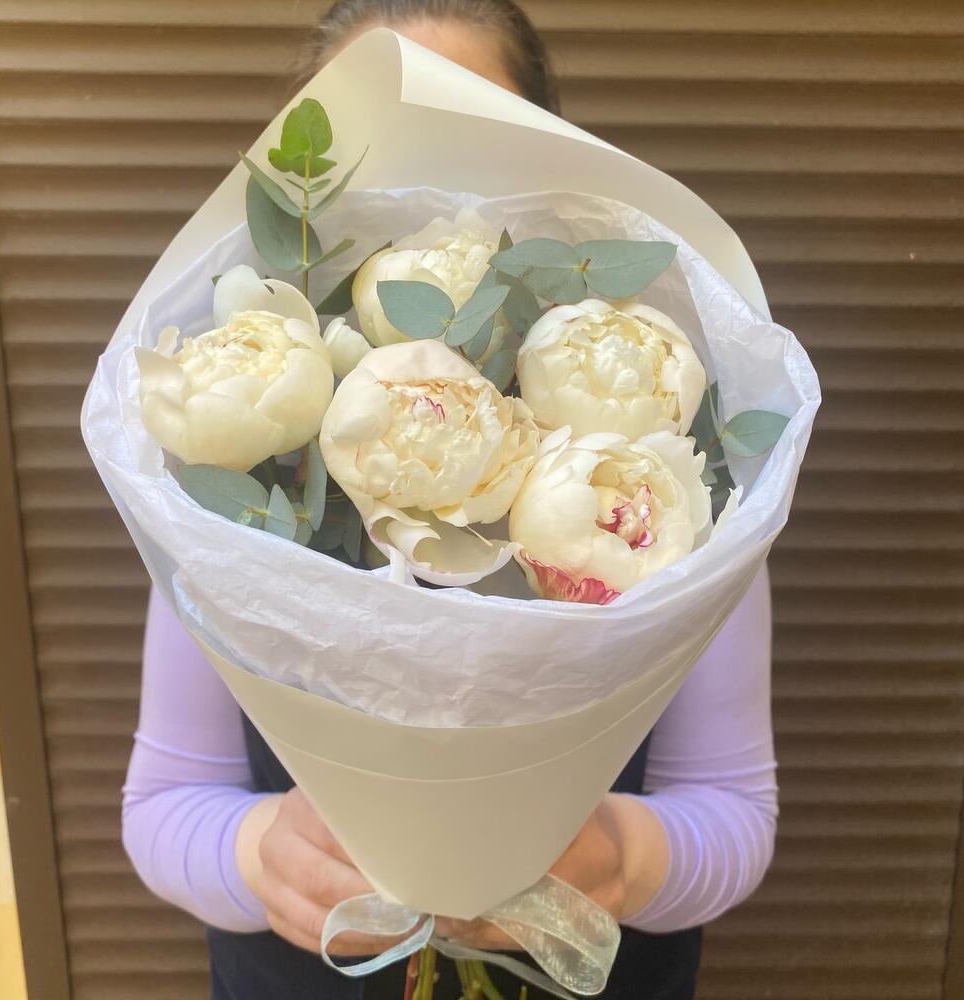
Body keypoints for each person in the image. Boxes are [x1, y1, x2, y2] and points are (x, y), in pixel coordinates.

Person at [121, 2, 778, 998]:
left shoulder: (654, 469)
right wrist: (259, 857)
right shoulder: (230, 460)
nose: (420, 189)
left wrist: (621, 859)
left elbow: (732, 808)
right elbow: (166, 801)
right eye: (375, 150)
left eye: (472, 136)